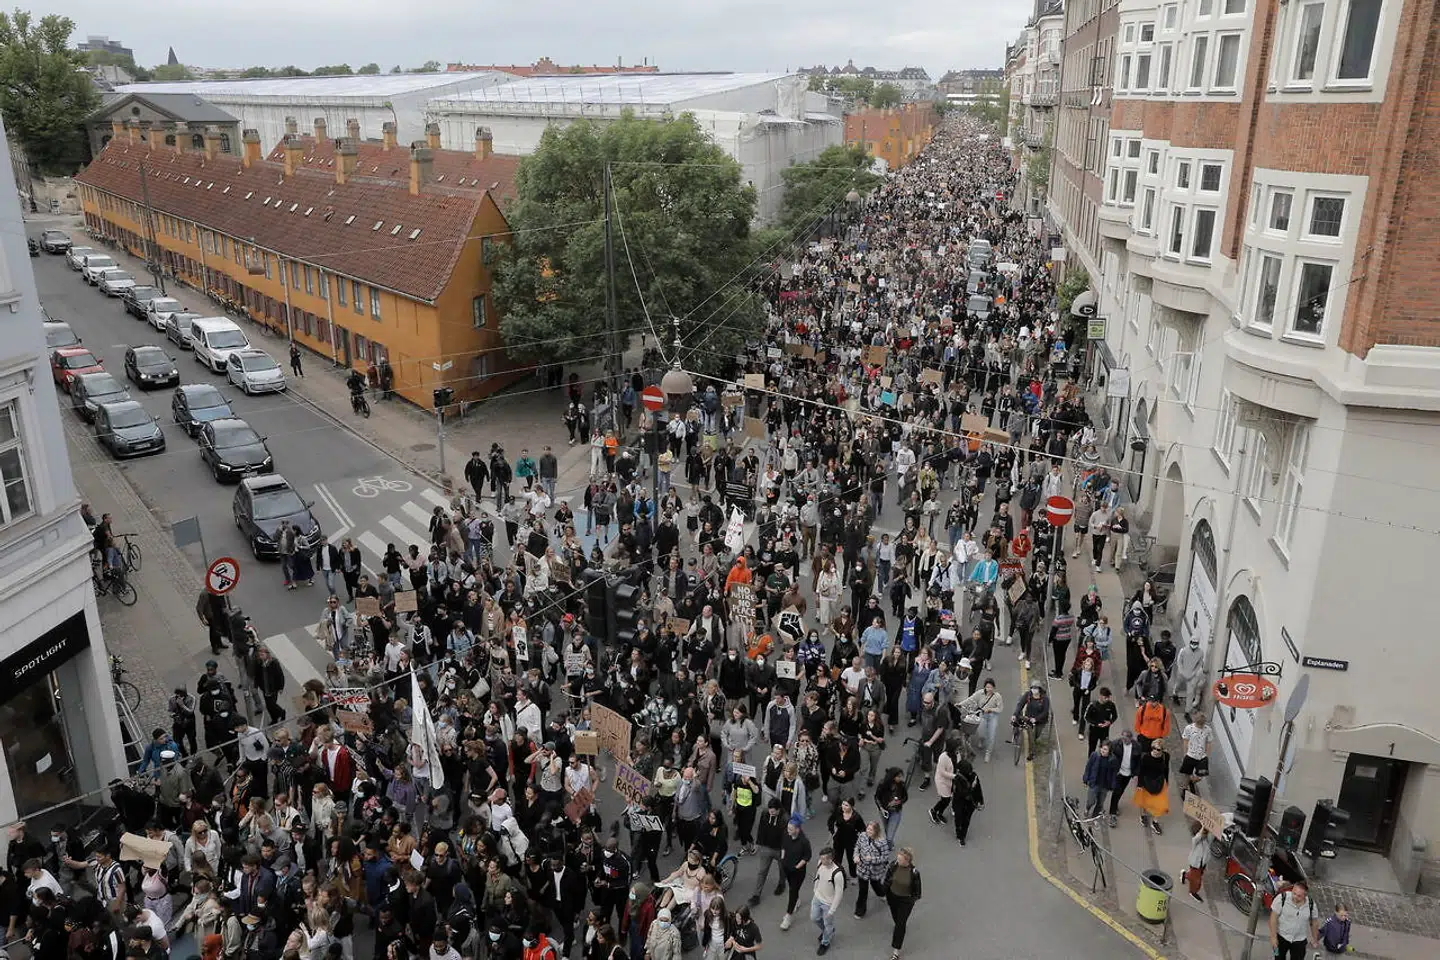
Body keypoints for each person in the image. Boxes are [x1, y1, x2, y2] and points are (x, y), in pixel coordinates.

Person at [883, 847, 922, 959]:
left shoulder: (914, 873)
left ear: (907, 861)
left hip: (905, 900)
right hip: (892, 897)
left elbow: (917, 891)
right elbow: (887, 879)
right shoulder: (893, 866)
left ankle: (896, 951)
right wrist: (885, 891)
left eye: (900, 860)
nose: (897, 861)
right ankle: (899, 926)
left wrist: (912, 900)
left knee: (900, 924)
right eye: (898, 858)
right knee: (896, 917)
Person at [1269, 879, 1320, 960]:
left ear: (1305, 895)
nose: (1295, 897)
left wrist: (1315, 938)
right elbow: (1273, 918)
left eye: (1299, 896)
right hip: (1280, 937)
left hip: (1300, 940)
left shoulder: (1311, 904)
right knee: (1277, 956)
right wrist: (1273, 937)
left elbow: (1314, 922)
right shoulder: (1281, 898)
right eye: (1294, 893)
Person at [809, 846, 846, 955]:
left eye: (823, 859)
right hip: (818, 897)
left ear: (830, 859)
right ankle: (828, 931)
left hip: (828, 903)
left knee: (828, 924)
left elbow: (839, 894)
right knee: (814, 918)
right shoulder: (820, 864)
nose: (821, 860)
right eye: (820, 858)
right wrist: (815, 889)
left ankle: (825, 943)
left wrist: (832, 910)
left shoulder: (837, 874)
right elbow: (818, 876)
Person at [1132, 740, 1171, 835]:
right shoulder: (1146, 757)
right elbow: (1141, 771)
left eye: (1158, 749)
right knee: (1144, 801)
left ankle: (1155, 822)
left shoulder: (1166, 756)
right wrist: (1140, 784)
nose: (1155, 751)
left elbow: (1166, 769)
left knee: (1161, 804)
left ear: (1162, 750)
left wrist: (1167, 780)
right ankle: (1143, 815)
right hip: (1146, 781)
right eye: (1153, 748)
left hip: (1159, 781)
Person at [1012, 680, 1050, 761]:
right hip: (1029, 718)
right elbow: (1020, 705)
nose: (1034, 690)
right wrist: (1015, 714)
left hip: (1040, 721)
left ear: (1039, 689)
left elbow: (1045, 712)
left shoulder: (1045, 699)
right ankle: (1031, 752)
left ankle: (1032, 749)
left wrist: (1036, 719)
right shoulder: (1028, 695)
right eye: (1033, 688)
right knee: (1029, 734)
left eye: (1036, 688)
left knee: (1035, 736)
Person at [1082, 740, 1120, 819]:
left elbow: (1114, 773)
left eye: (1105, 749)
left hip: (1105, 785)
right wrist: (1085, 779)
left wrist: (1113, 785)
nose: (1102, 750)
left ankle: (1094, 817)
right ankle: (1087, 808)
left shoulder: (1113, 760)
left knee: (1100, 803)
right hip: (1094, 783)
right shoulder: (1094, 755)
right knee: (1091, 801)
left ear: (1109, 751)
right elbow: (1088, 767)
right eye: (1102, 748)